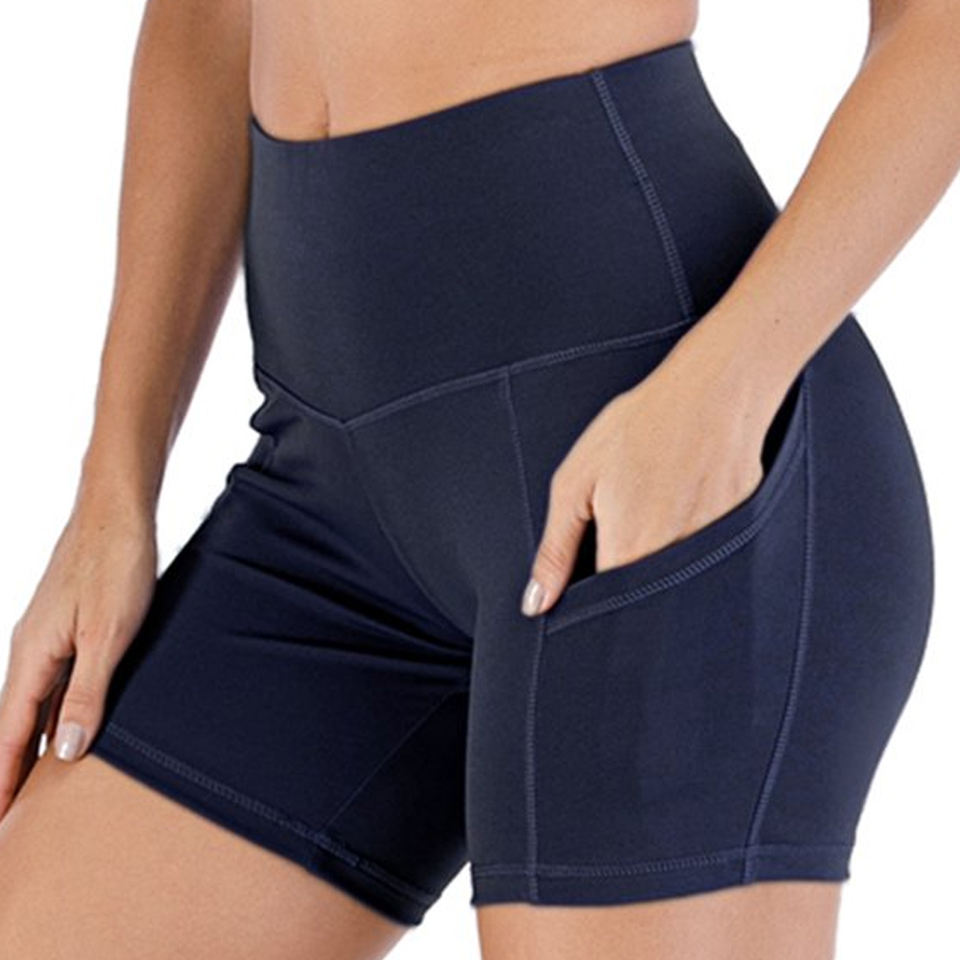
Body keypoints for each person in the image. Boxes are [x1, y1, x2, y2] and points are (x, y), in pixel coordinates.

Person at [0, 0, 954, 957]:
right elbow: (207, 16)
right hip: (319, 511)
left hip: (656, 480)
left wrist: (726, 386)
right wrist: (111, 493)